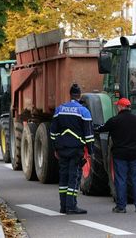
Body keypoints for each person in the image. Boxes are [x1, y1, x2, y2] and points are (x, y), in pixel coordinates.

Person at [94, 97, 136, 213]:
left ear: (121, 107)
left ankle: (121, 207)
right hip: (135, 154)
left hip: (120, 155)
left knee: (121, 180)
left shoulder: (114, 120)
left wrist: (93, 127)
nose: (117, 107)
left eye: (118, 106)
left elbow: (101, 129)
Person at [50, 83, 94, 215]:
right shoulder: (83, 111)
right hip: (76, 150)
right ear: (79, 95)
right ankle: (71, 206)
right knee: (74, 178)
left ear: (70, 95)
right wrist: (90, 151)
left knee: (63, 178)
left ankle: (63, 206)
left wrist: (55, 149)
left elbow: (53, 132)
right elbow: (89, 135)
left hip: (62, 149)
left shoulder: (59, 110)